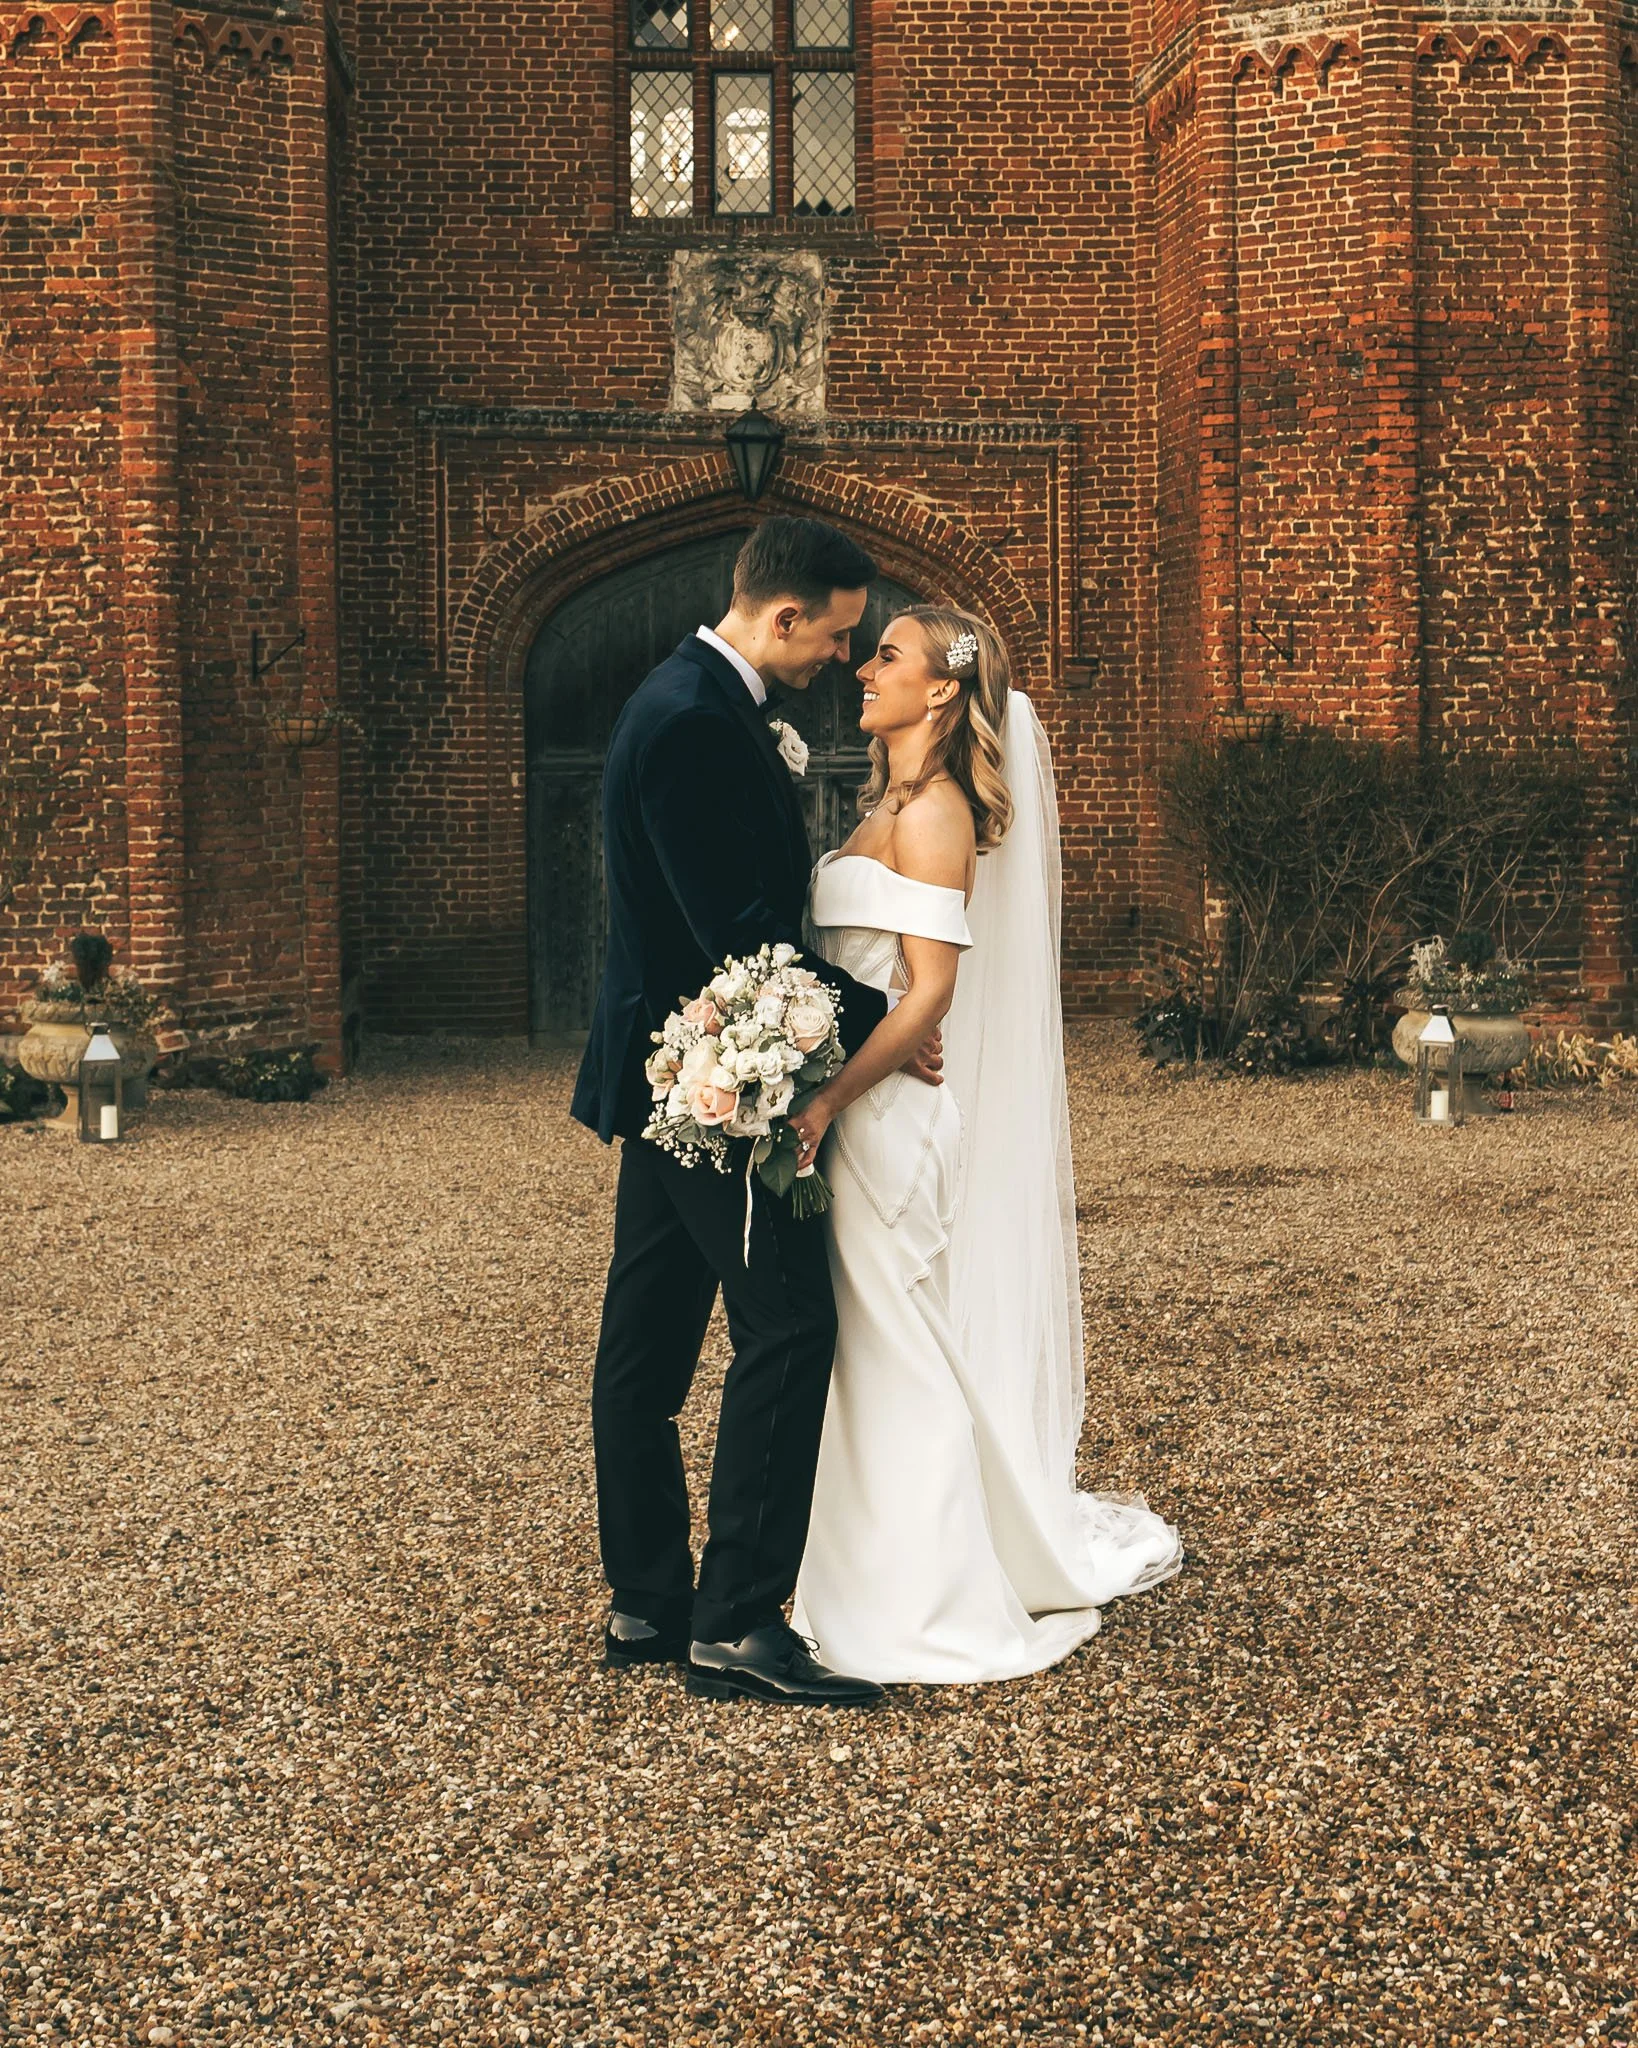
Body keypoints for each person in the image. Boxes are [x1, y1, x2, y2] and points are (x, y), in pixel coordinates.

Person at [571, 517, 941, 1708]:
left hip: (667, 1071)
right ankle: (733, 1621)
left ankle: (646, 1601)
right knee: (787, 1330)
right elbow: (740, 936)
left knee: (646, 1342)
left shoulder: (691, 701)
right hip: (715, 1079)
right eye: (834, 635)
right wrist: (889, 1013)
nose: (841, 657)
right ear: (782, 617)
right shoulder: (691, 722)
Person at [786, 606, 1182, 1682]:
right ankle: (866, 1571)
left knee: (894, 1341)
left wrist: (820, 1102)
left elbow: (930, 1000)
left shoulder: (940, 814)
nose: (863, 670)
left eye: (889, 657)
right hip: (855, 1103)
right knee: (867, 1345)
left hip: (885, 1119)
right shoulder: (886, 803)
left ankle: (928, 1596)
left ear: (945, 691)